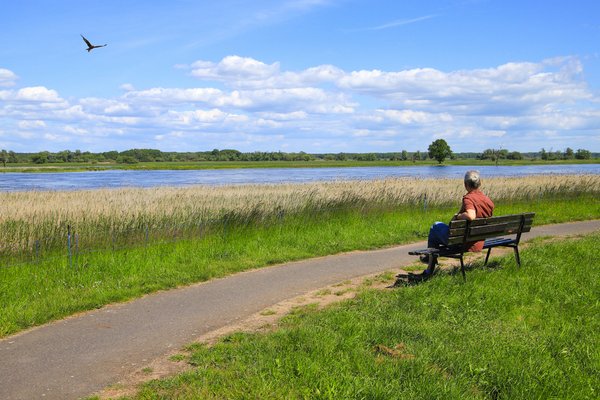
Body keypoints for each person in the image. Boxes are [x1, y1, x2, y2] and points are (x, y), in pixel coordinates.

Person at [420, 170, 494, 276]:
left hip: (462, 242)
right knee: (438, 228)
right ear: (480, 183)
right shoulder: (487, 200)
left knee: (435, 226)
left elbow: (471, 216)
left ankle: (429, 264)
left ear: (465, 184)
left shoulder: (469, 198)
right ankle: (430, 261)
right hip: (477, 240)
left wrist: (458, 216)